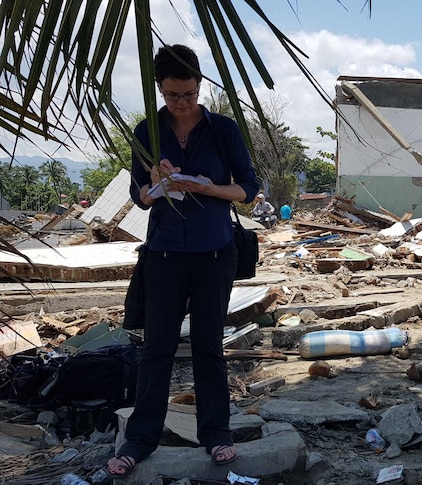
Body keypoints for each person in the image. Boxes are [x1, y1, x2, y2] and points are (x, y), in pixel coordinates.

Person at [107, 44, 259, 478]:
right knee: (157, 349)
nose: (183, 103)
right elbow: (139, 198)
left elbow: (248, 188)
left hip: (215, 252)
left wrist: (209, 188)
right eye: (174, 96)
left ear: (200, 86)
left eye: (190, 94)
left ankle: (216, 434)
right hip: (165, 253)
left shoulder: (224, 129)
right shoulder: (146, 132)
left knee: (209, 347)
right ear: (160, 89)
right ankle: (140, 438)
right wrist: (155, 183)